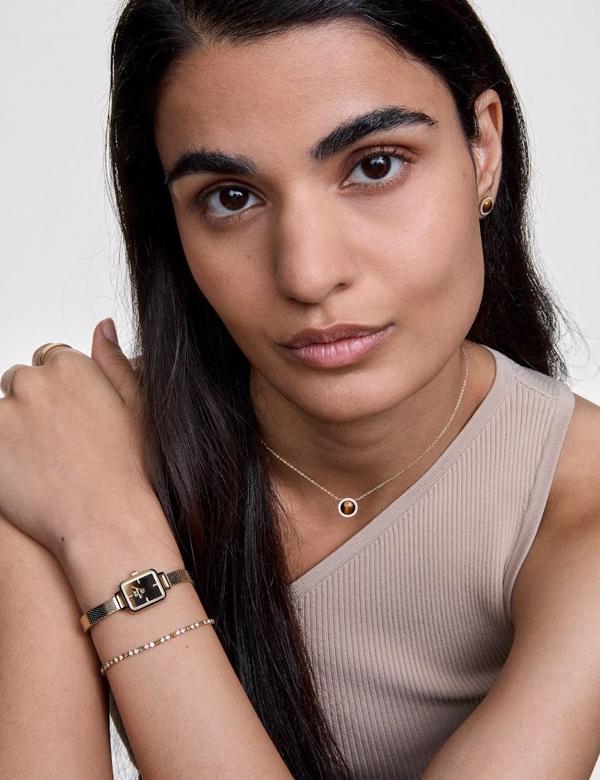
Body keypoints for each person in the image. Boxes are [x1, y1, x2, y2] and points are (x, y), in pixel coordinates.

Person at [1, 1, 599, 779]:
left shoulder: (578, 507)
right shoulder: (68, 458)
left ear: (483, 146)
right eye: (231, 196)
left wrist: (111, 535)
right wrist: (95, 503)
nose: (308, 274)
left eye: (375, 165)